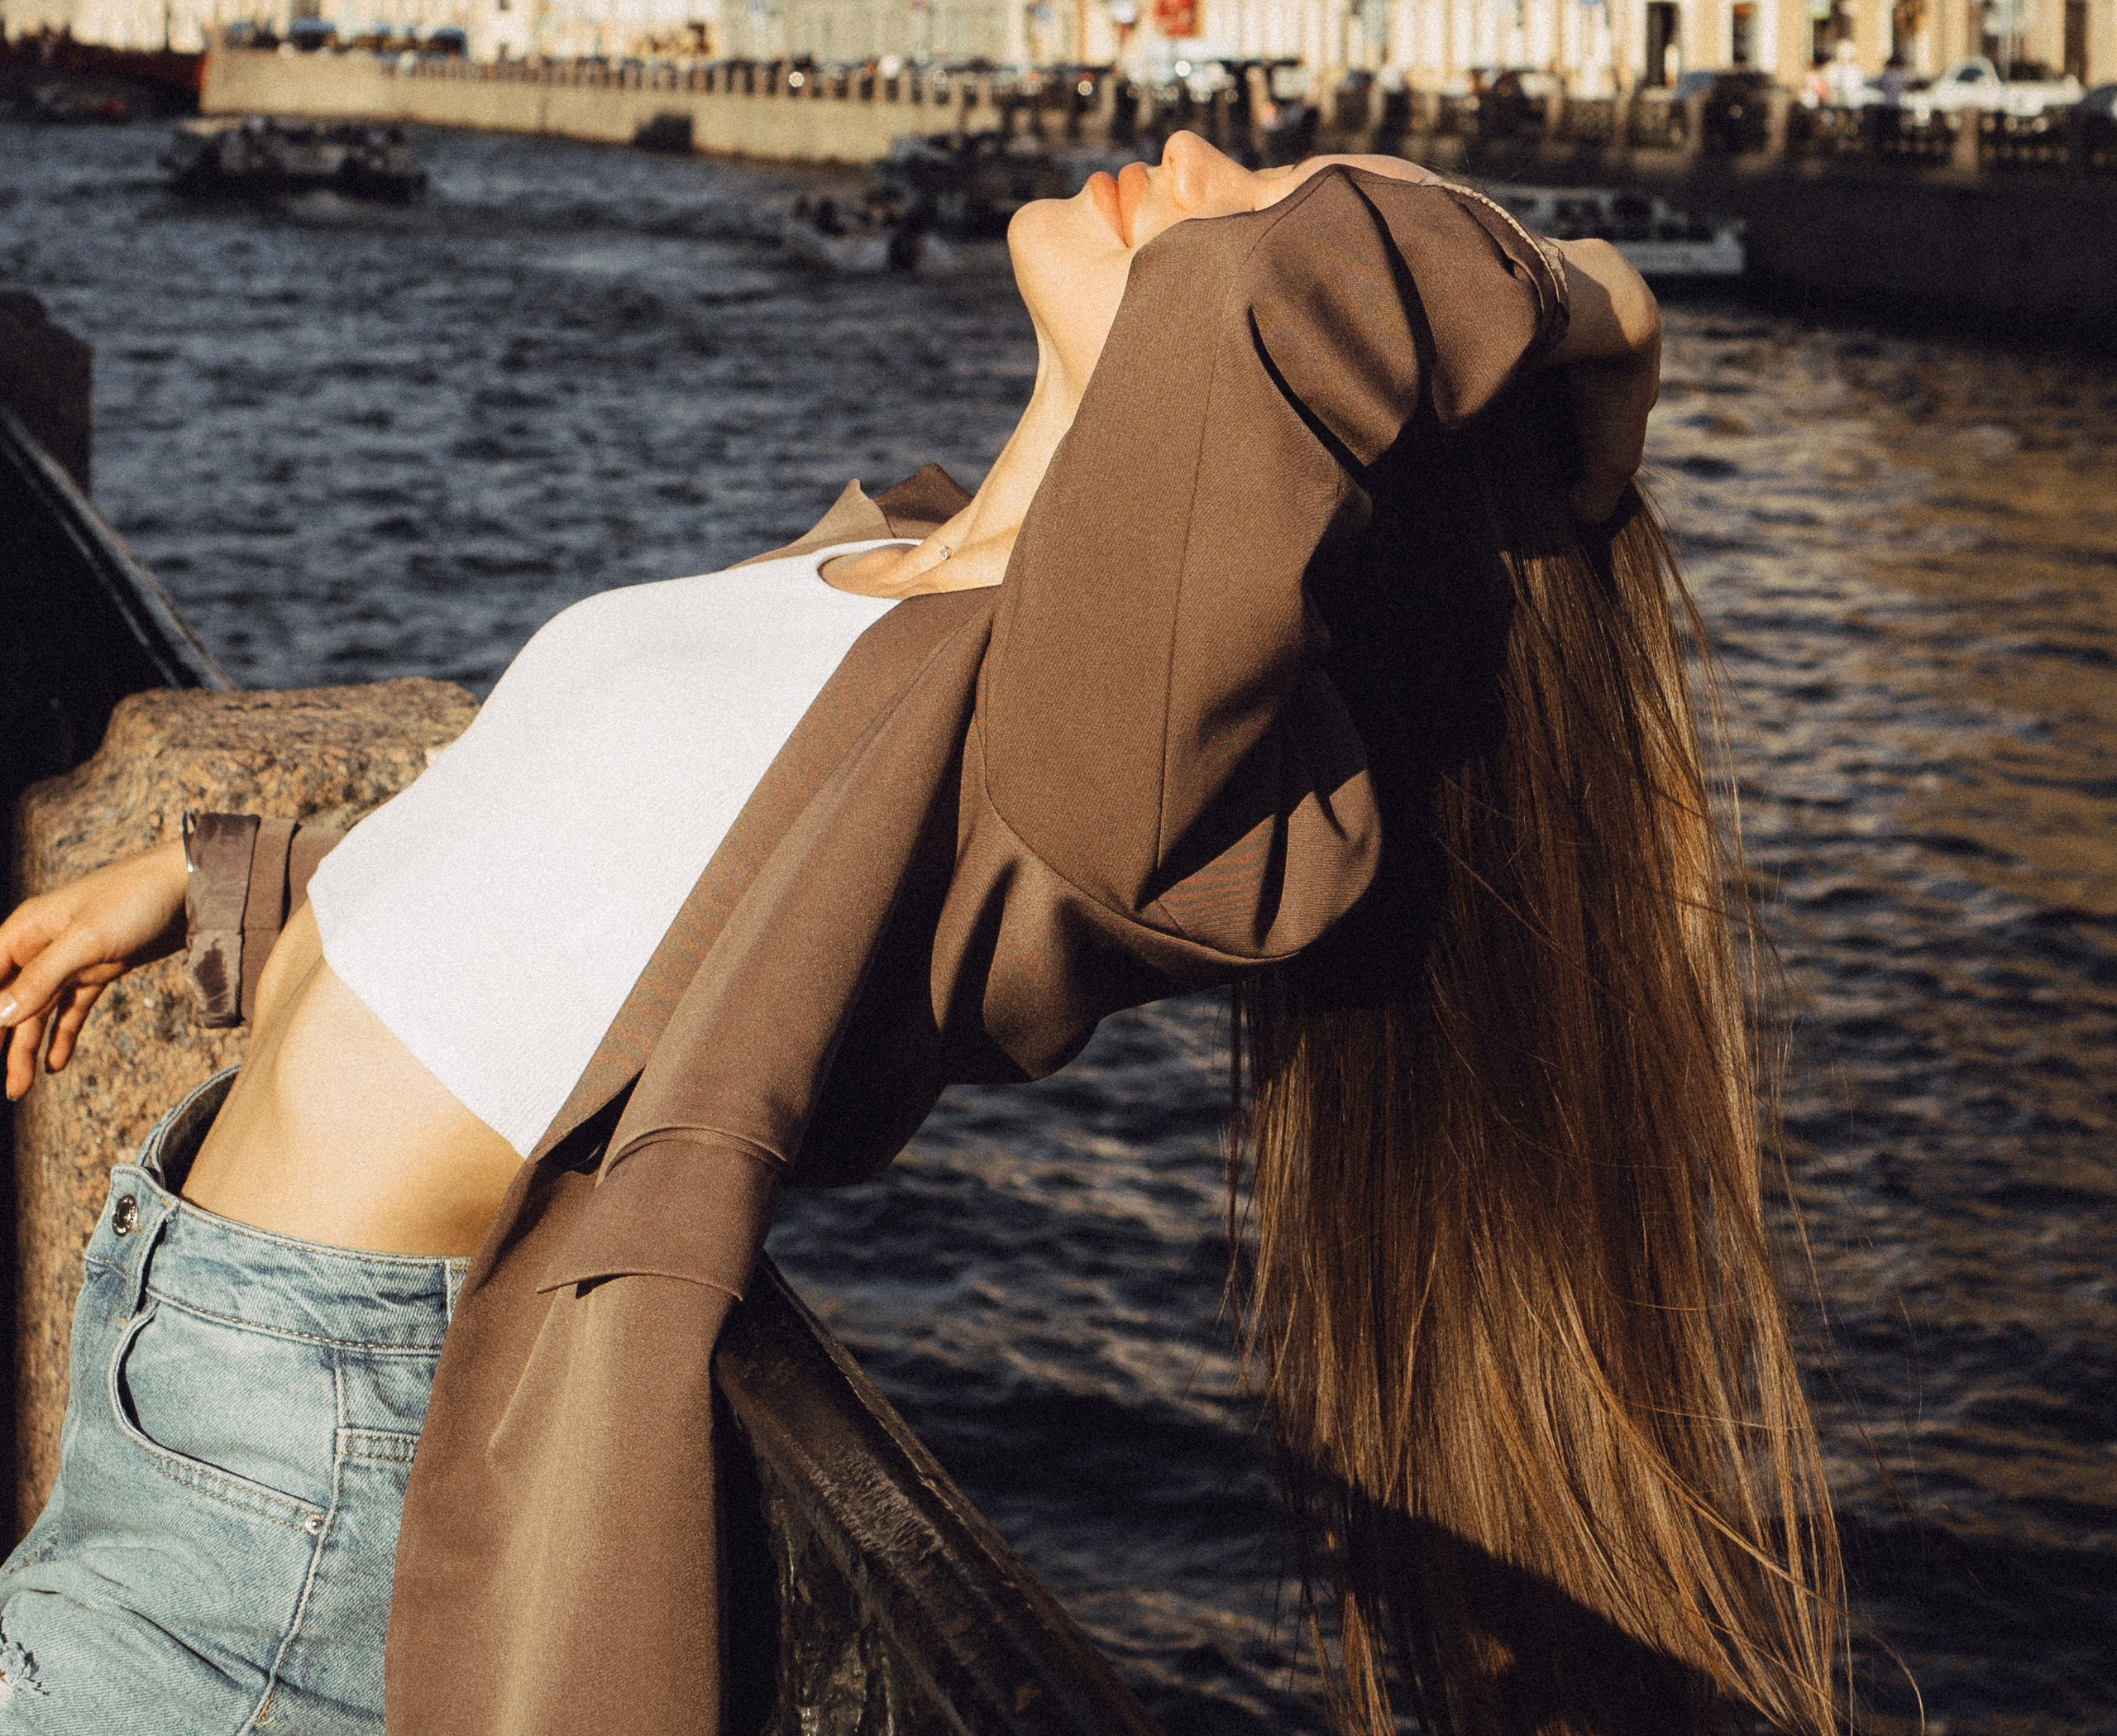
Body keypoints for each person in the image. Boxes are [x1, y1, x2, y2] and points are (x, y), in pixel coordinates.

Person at [0, 136, 1843, 1736]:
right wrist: (240, 876)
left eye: (1274, 194)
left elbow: (1296, 292)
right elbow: (571, 861)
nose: (1201, 165)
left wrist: (1607, 310)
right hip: (176, 1323)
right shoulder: (891, 561)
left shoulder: (1085, 757)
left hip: (317, 1445)